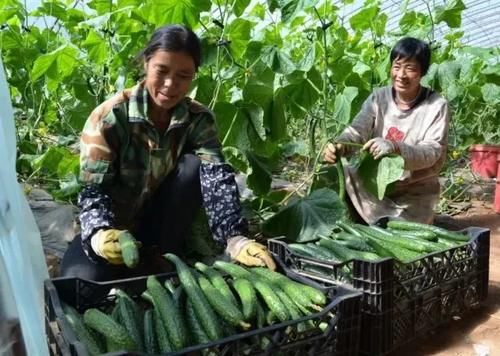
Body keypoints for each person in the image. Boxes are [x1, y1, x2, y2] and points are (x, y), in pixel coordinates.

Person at [60, 24, 275, 281]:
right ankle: (121, 256)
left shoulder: (198, 119)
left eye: (184, 75)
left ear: (194, 75)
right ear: (146, 64)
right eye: (161, 71)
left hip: (159, 224)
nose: (171, 84)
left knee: (194, 166)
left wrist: (235, 238)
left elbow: (217, 180)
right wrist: (99, 235)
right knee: (77, 282)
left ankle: (160, 255)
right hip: (113, 228)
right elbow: (94, 191)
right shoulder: (111, 117)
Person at [323, 37, 450, 225]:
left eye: (410, 68)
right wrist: (340, 145)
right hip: (375, 186)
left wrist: (394, 147)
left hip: (415, 193)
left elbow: (432, 151)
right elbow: (357, 130)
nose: (401, 75)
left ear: (422, 72)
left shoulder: (436, 105)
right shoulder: (379, 98)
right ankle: (357, 222)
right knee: (338, 173)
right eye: (397, 66)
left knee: (404, 237)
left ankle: (374, 222)